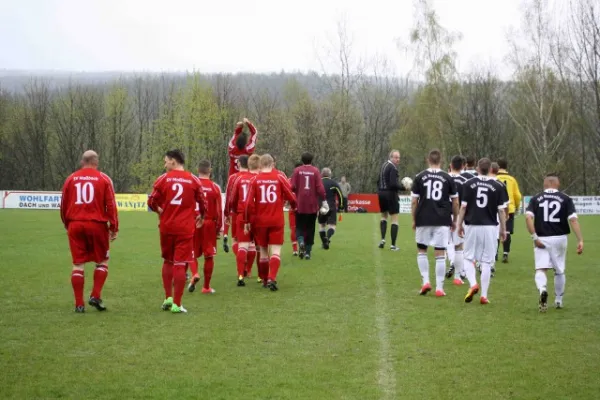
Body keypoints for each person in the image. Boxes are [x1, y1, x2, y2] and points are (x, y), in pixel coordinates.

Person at [147, 149, 206, 314]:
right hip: (185, 228)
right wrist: (202, 216)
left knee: (167, 261)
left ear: (173, 161)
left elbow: (151, 201)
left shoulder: (163, 179)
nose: (164, 164)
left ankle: (168, 298)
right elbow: (202, 201)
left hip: (166, 226)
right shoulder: (193, 179)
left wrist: (160, 211)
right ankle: (177, 304)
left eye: (166, 161)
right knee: (180, 264)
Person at [60, 150, 119, 313]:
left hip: (75, 224)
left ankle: (79, 304)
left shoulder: (70, 179)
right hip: (97, 225)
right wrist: (114, 227)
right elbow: (111, 205)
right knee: (102, 261)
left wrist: (68, 224)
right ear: (96, 162)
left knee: (78, 264)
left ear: (82, 162)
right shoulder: (103, 178)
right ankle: (95, 295)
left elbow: (63, 204)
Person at [525, 173, 584, 312]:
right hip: (560, 238)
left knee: (540, 269)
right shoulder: (565, 198)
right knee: (559, 270)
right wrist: (580, 239)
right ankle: (558, 300)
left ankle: (542, 290)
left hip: (542, 238)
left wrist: (534, 237)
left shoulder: (535, 198)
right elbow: (573, 220)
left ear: (545, 185)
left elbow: (528, 218)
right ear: (558, 184)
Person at [456, 158, 507, 305]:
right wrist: (503, 229)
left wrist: (459, 224)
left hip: (472, 225)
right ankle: (484, 296)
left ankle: (473, 284)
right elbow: (501, 211)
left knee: (468, 257)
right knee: (486, 261)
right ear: (491, 168)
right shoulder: (498, 185)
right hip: (490, 227)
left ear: (478, 168)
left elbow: (463, 207)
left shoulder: (468, 184)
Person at [243, 154, 297, 291]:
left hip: (261, 221)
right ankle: (272, 277)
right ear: (272, 164)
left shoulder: (255, 180)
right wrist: (294, 206)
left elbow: (248, 203)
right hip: (277, 220)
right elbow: (290, 195)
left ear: (260, 165)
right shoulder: (279, 177)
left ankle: (265, 279)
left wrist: (247, 220)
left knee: (263, 251)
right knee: (276, 251)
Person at [411, 150, 459, 297]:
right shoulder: (447, 177)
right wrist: (455, 219)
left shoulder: (419, 177)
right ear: (441, 161)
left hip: (423, 218)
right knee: (440, 253)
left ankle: (425, 281)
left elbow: (414, 202)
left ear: (427, 160)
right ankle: (439, 288)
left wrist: (414, 219)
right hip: (442, 219)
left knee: (422, 250)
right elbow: (455, 202)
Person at [188, 160, 222, 294]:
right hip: (209, 223)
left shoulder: (191, 185)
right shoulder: (215, 187)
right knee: (209, 256)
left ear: (198, 169)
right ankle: (206, 287)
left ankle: (195, 273)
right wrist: (219, 228)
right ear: (210, 170)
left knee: (191, 252)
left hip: (193, 222)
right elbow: (219, 210)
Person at [228, 154, 260, 285]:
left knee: (242, 245)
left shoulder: (239, 179)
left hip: (242, 214)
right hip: (257, 216)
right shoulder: (259, 179)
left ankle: (240, 276)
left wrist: (236, 211)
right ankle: (260, 276)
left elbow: (232, 199)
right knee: (258, 247)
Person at [291, 152, 327, 260]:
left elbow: (292, 186)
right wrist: (324, 199)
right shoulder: (315, 171)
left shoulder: (297, 171)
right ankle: (307, 252)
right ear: (312, 160)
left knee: (300, 227)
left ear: (302, 160)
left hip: (300, 204)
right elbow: (320, 188)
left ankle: (301, 241)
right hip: (312, 205)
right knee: (310, 228)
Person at [445, 155, 468, 285]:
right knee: (459, 245)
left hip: (443, 215)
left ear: (451, 165)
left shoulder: (444, 178)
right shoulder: (466, 181)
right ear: (463, 166)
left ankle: (451, 263)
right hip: (458, 215)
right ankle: (458, 277)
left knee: (446, 243)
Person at [496, 158, 522, 263]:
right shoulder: (512, 179)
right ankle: (505, 253)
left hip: (496, 208)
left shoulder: (495, 178)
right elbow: (517, 195)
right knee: (507, 231)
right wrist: (516, 206)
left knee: (496, 231)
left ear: (497, 166)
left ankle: (495, 253)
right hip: (509, 209)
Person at [377, 150, 403, 251]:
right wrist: (403, 187)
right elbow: (393, 184)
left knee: (383, 217)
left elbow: (378, 181)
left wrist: (380, 191)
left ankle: (382, 240)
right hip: (390, 194)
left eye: (399, 157)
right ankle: (393, 246)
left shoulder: (383, 165)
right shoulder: (393, 168)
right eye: (396, 157)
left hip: (381, 193)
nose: (398, 160)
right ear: (391, 157)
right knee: (394, 219)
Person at [489, 162, 510, 275]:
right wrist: (506, 216)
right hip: (495, 216)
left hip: (480, 215)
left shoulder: (480, 181)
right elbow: (505, 205)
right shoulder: (501, 184)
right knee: (493, 240)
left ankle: (480, 263)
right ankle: (491, 264)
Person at [318, 168, 344, 250]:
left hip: (321, 206)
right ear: (330, 174)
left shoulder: (318, 183)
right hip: (331, 206)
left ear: (321, 174)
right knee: (332, 226)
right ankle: (327, 238)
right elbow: (340, 195)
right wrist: (341, 206)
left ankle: (324, 242)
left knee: (322, 225)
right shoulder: (334, 183)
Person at [222, 157, 243, 255]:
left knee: (235, 239)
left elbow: (229, 197)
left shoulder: (233, 177)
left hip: (236, 211)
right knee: (251, 242)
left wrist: (227, 213)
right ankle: (247, 265)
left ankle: (242, 263)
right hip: (251, 212)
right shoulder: (254, 176)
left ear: (238, 164)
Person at [289, 162, 303, 256]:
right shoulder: (307, 180)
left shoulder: (289, 180)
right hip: (304, 208)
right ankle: (303, 246)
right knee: (303, 228)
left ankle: (295, 250)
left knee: (294, 229)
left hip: (292, 208)